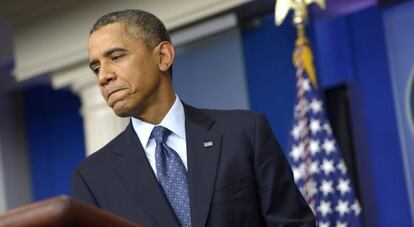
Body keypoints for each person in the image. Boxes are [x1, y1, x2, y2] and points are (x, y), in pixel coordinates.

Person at [72, 9, 315, 227]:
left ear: (163, 56)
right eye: (96, 68)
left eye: (116, 57)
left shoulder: (244, 133)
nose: (103, 76)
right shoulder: (93, 178)